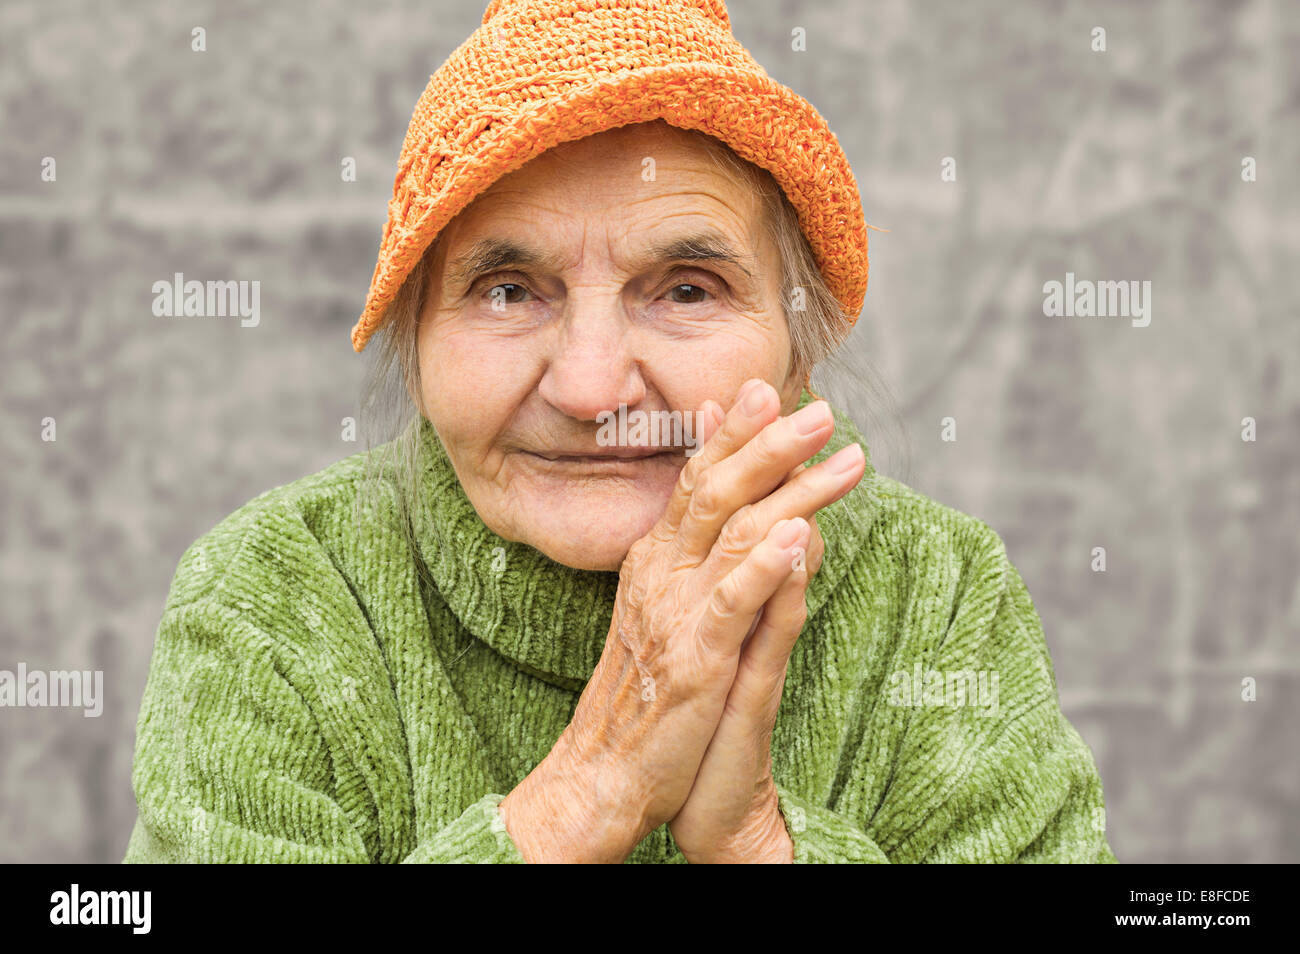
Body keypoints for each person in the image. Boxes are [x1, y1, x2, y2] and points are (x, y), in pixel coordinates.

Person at [123, 0, 1117, 863]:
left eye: (687, 289)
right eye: (508, 290)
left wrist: (760, 846)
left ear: (794, 349)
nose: (593, 386)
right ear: (416, 344)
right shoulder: (273, 598)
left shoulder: (936, 593)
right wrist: (581, 798)